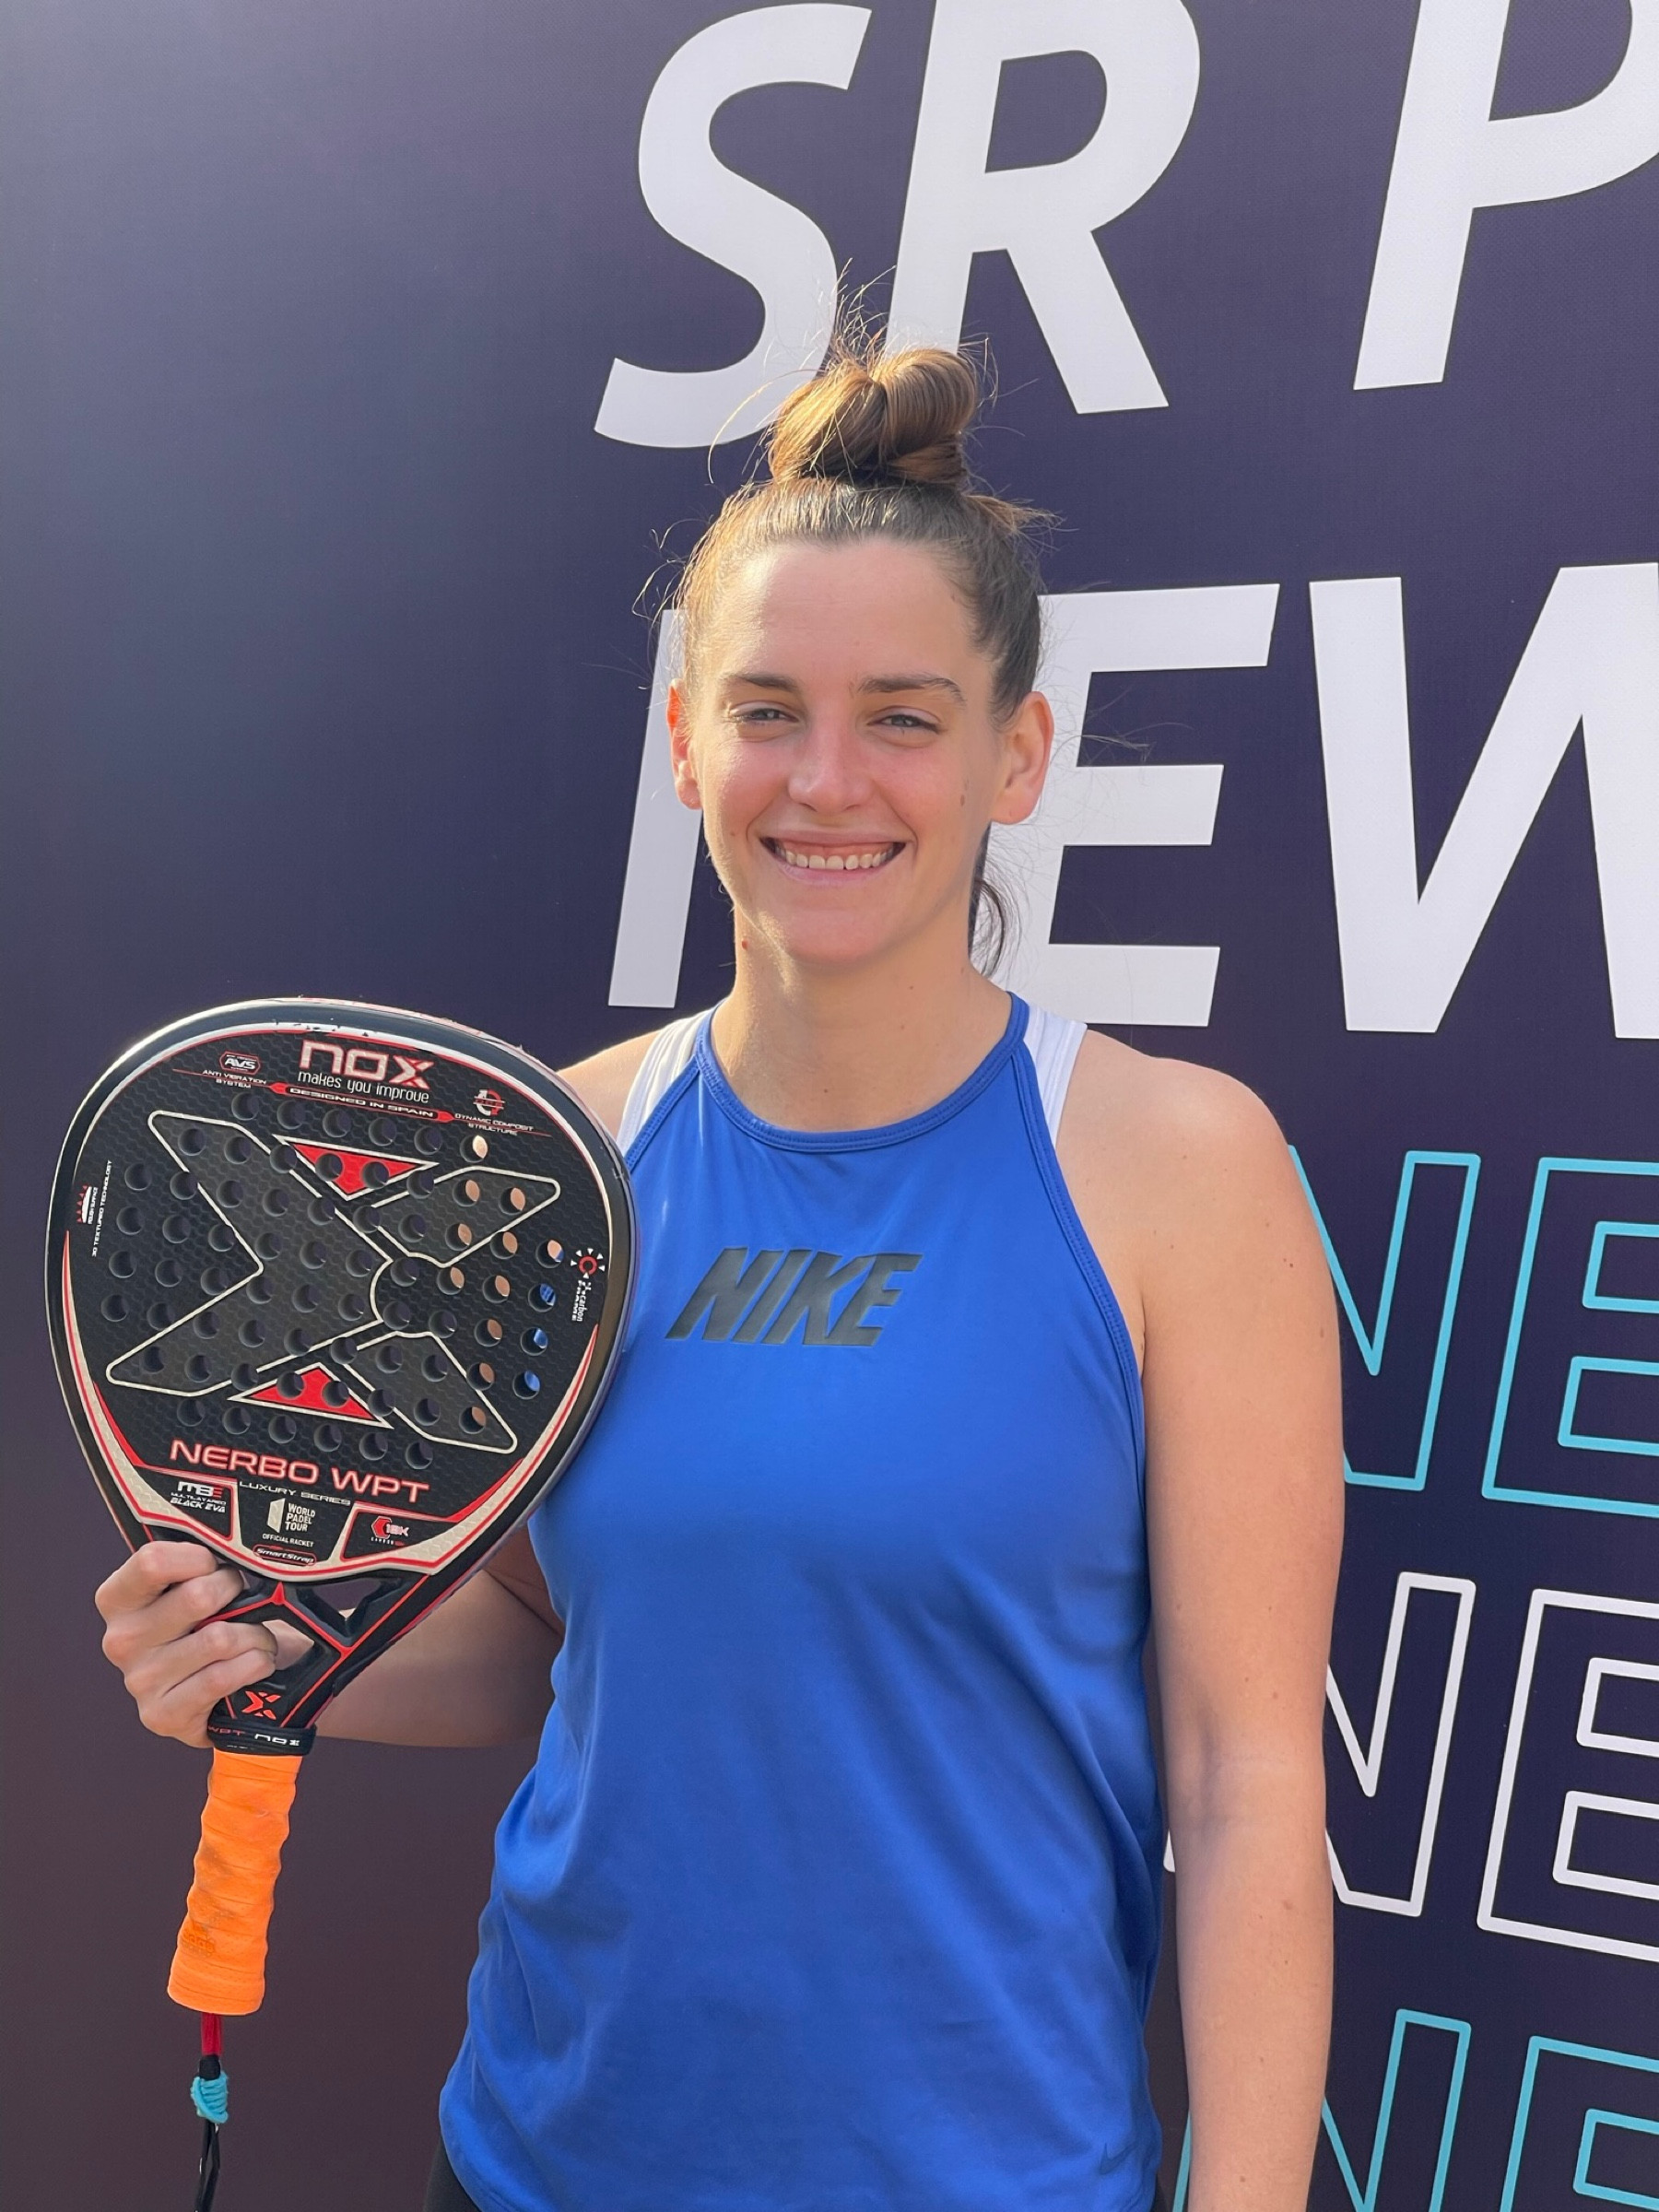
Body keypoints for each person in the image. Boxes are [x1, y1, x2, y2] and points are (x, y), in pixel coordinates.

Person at [97, 342, 1344, 2212]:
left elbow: (1245, 1779)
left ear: (1016, 755)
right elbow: (551, 1641)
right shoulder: (560, 1158)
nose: (827, 780)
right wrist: (274, 1655)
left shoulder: (1180, 1169)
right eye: (769, 710)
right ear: (685, 738)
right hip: (537, 2160)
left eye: (904, 717)